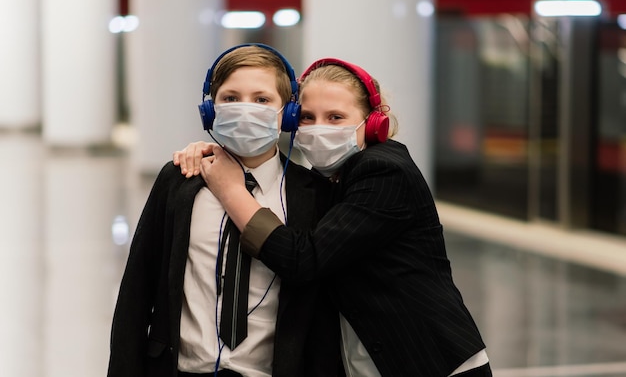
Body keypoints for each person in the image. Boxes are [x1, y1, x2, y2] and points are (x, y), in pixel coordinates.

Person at [174, 58, 492, 376]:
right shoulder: (332, 176)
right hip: (374, 361)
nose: (318, 129)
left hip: (428, 360)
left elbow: (304, 259)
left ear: (372, 123)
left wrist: (231, 190)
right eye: (308, 118)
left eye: (336, 117)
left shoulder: (383, 171)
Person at [107, 44, 341, 377]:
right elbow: (137, 290)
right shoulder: (180, 179)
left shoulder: (313, 194)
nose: (246, 109)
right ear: (210, 110)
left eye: (261, 100)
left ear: (287, 113)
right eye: (231, 98)